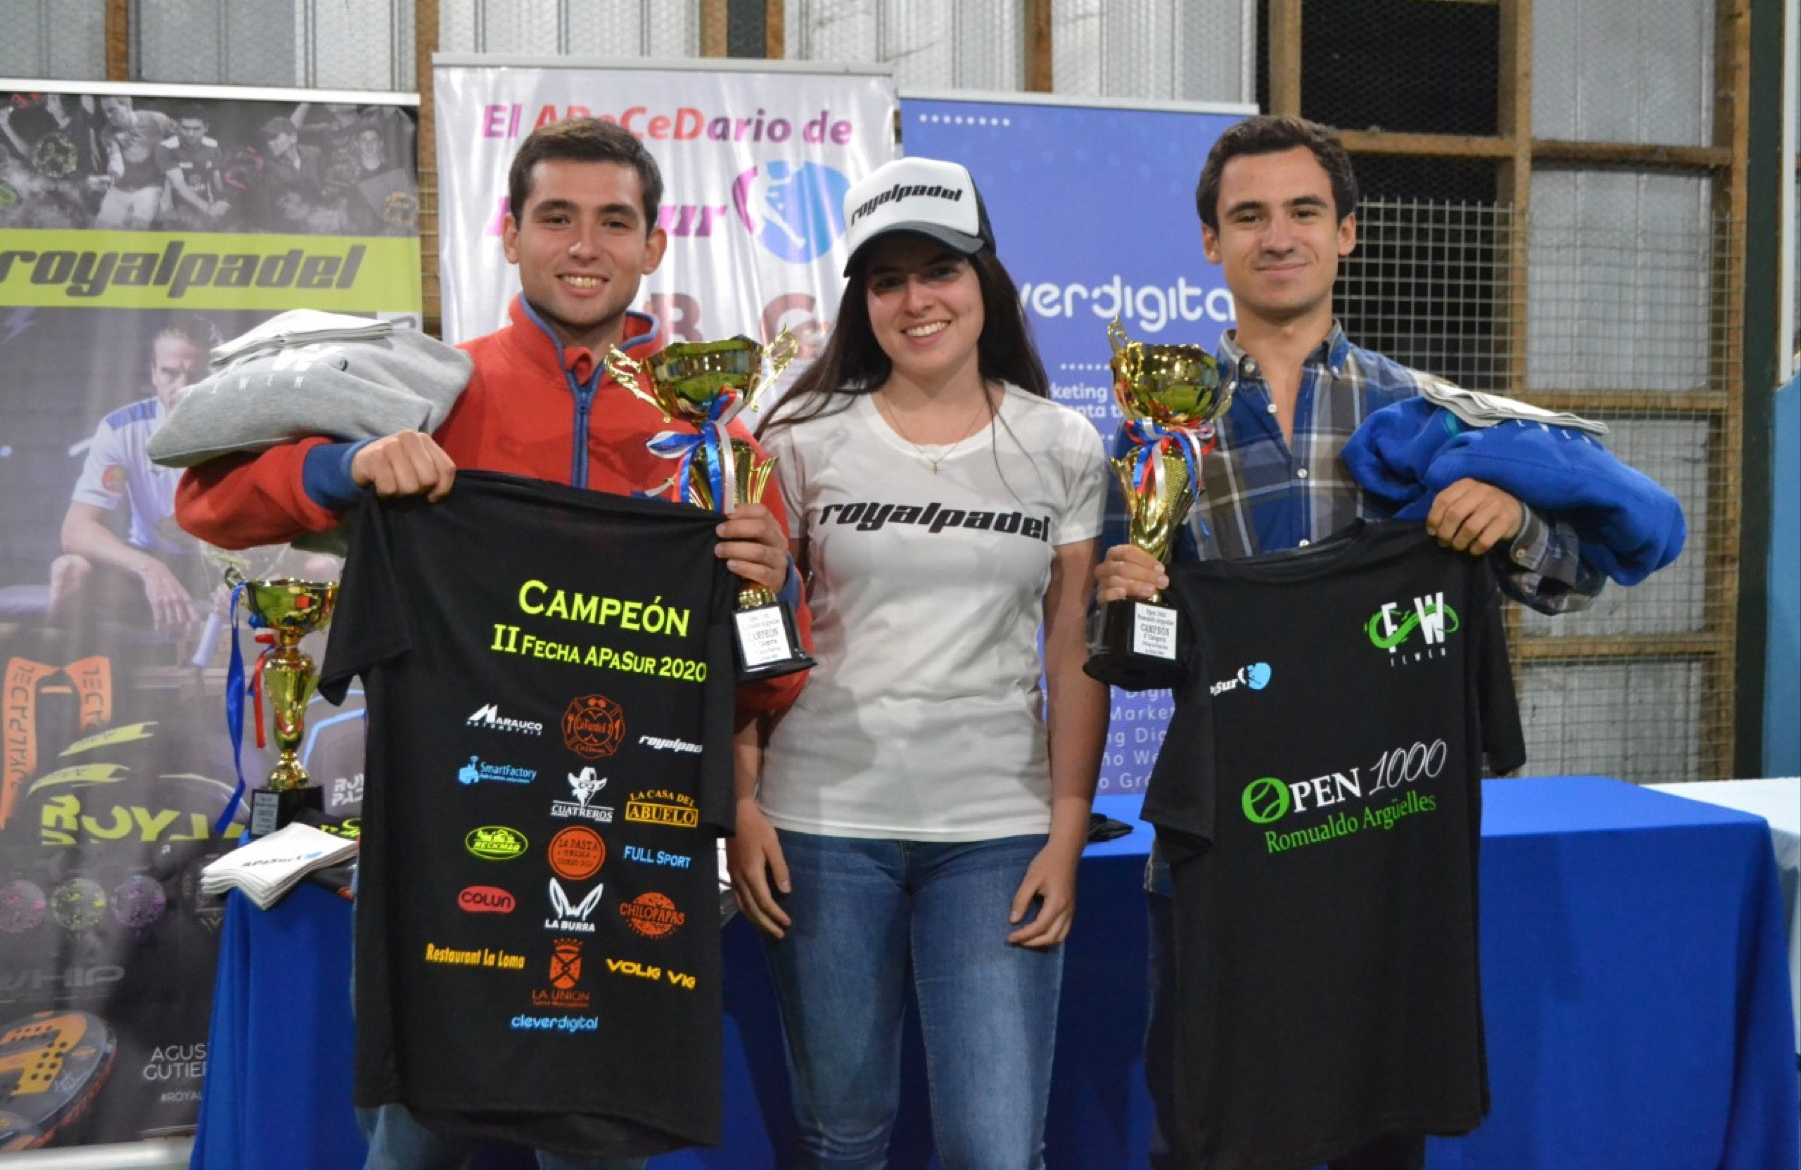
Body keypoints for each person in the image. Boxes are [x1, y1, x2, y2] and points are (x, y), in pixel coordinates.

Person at [175, 117, 810, 1170]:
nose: (584, 246)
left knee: (596, 1143)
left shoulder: (717, 441)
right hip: (442, 836)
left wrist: (769, 587)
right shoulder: (430, 390)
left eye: (614, 222)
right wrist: (345, 468)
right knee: (413, 1140)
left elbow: (770, 683)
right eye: (556, 218)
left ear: (654, 245)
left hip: (627, 841)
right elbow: (211, 501)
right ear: (509, 235)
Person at [1094, 115, 1604, 1170]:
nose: (1276, 236)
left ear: (1346, 233)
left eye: (1302, 211)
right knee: (1208, 1135)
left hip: (1383, 849)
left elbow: (1573, 577)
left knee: (1381, 1135)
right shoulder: (1158, 429)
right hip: (1224, 855)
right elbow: (1142, 662)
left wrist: (1513, 522)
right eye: (1248, 216)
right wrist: (1128, 597)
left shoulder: (1425, 414)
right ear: (1210, 242)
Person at [727, 156, 1110, 1169]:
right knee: (843, 1137)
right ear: (861, 300)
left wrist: (1067, 829)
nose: (916, 300)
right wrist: (742, 801)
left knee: (995, 1149)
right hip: (819, 828)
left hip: (995, 833)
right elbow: (751, 633)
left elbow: (1072, 645)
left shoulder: (1062, 443)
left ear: (985, 278)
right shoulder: (798, 436)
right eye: (887, 280)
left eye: (939, 270)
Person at [50, 315, 216, 634]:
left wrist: (240, 574)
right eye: (170, 372)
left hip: (225, 563)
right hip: (149, 556)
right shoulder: (123, 429)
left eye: (194, 375)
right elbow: (76, 529)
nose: (182, 387)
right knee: (69, 570)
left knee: (312, 568)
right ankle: (58, 665)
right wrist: (149, 568)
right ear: (154, 373)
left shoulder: (243, 430)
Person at [93, 95, 174, 230]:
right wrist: (109, 177)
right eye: (105, 111)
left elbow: (182, 140)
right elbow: (116, 164)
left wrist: (168, 193)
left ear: (127, 106)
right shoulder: (107, 132)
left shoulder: (157, 120)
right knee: (100, 231)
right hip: (119, 189)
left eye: (112, 110)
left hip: (150, 188)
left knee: (137, 230)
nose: (108, 116)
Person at [156, 105, 229, 229]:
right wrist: (208, 208)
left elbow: (216, 179)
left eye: (196, 129)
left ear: (206, 128)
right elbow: (179, 184)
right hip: (175, 208)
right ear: (178, 126)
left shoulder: (213, 146)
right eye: (185, 128)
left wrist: (223, 200)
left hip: (206, 204)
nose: (190, 134)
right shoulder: (166, 147)